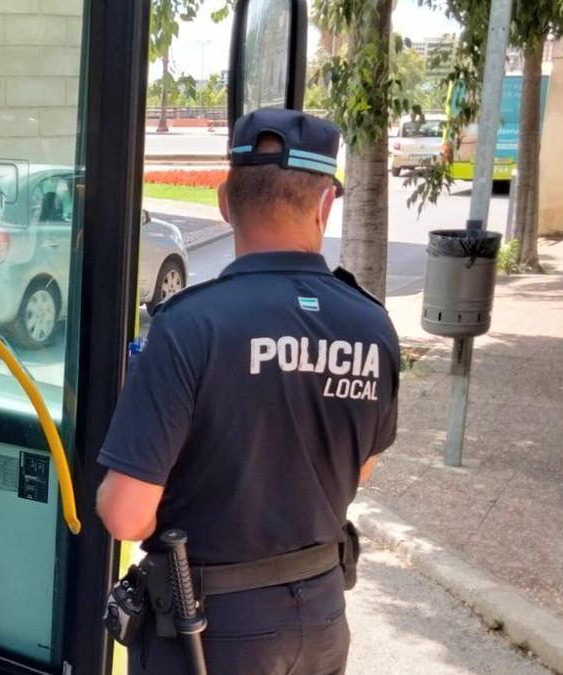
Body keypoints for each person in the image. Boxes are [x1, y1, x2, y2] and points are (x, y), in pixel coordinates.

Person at [96, 108, 400, 675]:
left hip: (209, 635)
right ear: (324, 203)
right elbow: (359, 470)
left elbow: (126, 516)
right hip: (322, 620)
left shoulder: (191, 326)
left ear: (224, 201)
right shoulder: (371, 326)